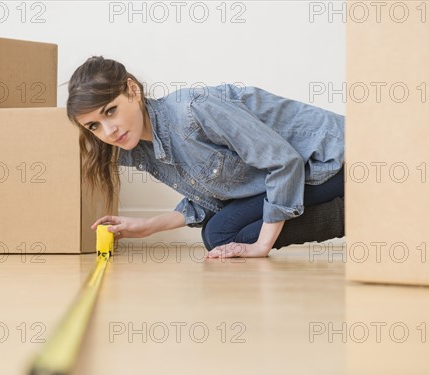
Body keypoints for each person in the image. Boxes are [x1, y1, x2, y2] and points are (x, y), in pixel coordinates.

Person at [66, 56, 345, 259]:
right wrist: (149, 226)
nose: (108, 131)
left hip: (329, 159)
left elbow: (284, 162)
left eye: (110, 111)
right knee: (219, 236)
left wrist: (261, 246)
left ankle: (361, 213)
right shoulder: (141, 146)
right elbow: (216, 194)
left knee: (235, 237)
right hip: (292, 171)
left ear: (133, 90)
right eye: (94, 126)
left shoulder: (192, 111)